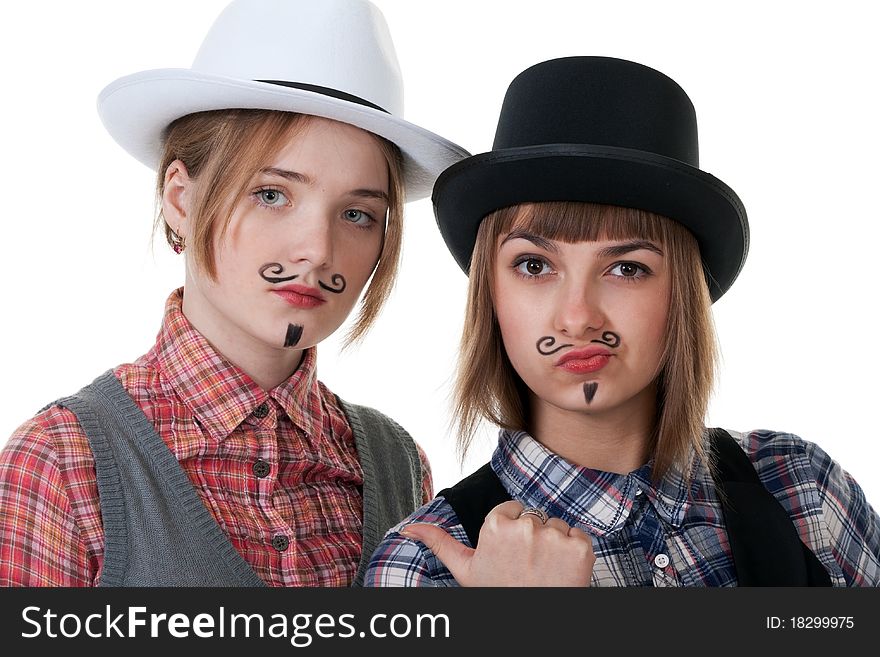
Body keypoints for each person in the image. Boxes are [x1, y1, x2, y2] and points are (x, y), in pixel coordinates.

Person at [0, 0, 469, 587]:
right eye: (272, 194)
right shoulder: (64, 463)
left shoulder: (396, 465)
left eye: (357, 213)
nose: (317, 250)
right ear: (180, 198)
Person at [365, 56, 880, 587]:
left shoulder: (798, 487)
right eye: (535, 265)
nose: (578, 317)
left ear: (681, 292)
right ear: (490, 294)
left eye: (626, 268)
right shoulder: (427, 564)